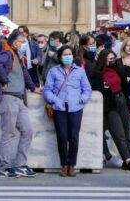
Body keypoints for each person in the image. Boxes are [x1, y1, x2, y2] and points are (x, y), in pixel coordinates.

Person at [0, 30, 43, 178]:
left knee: (27, 130)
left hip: (19, 99)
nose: (24, 44)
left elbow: (25, 74)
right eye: (22, 41)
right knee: (8, 133)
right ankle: (5, 166)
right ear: (15, 43)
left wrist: (33, 87)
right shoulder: (7, 54)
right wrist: (5, 80)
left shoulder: (18, 56)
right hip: (8, 98)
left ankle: (20, 164)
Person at [44, 45, 92, 177]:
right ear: (60, 57)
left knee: (74, 137)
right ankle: (64, 165)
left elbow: (87, 89)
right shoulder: (54, 71)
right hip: (59, 108)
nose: (68, 57)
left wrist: (81, 100)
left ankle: (72, 165)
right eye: (65, 55)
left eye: (69, 54)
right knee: (62, 137)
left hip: (75, 108)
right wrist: (55, 100)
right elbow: (47, 90)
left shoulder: (80, 71)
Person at [89, 50, 130, 171]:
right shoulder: (96, 74)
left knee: (127, 132)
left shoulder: (118, 70)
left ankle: (127, 158)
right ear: (103, 59)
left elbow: (126, 85)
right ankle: (127, 160)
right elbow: (95, 90)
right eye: (110, 59)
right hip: (109, 105)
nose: (112, 60)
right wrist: (105, 88)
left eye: (114, 58)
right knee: (118, 132)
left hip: (122, 100)